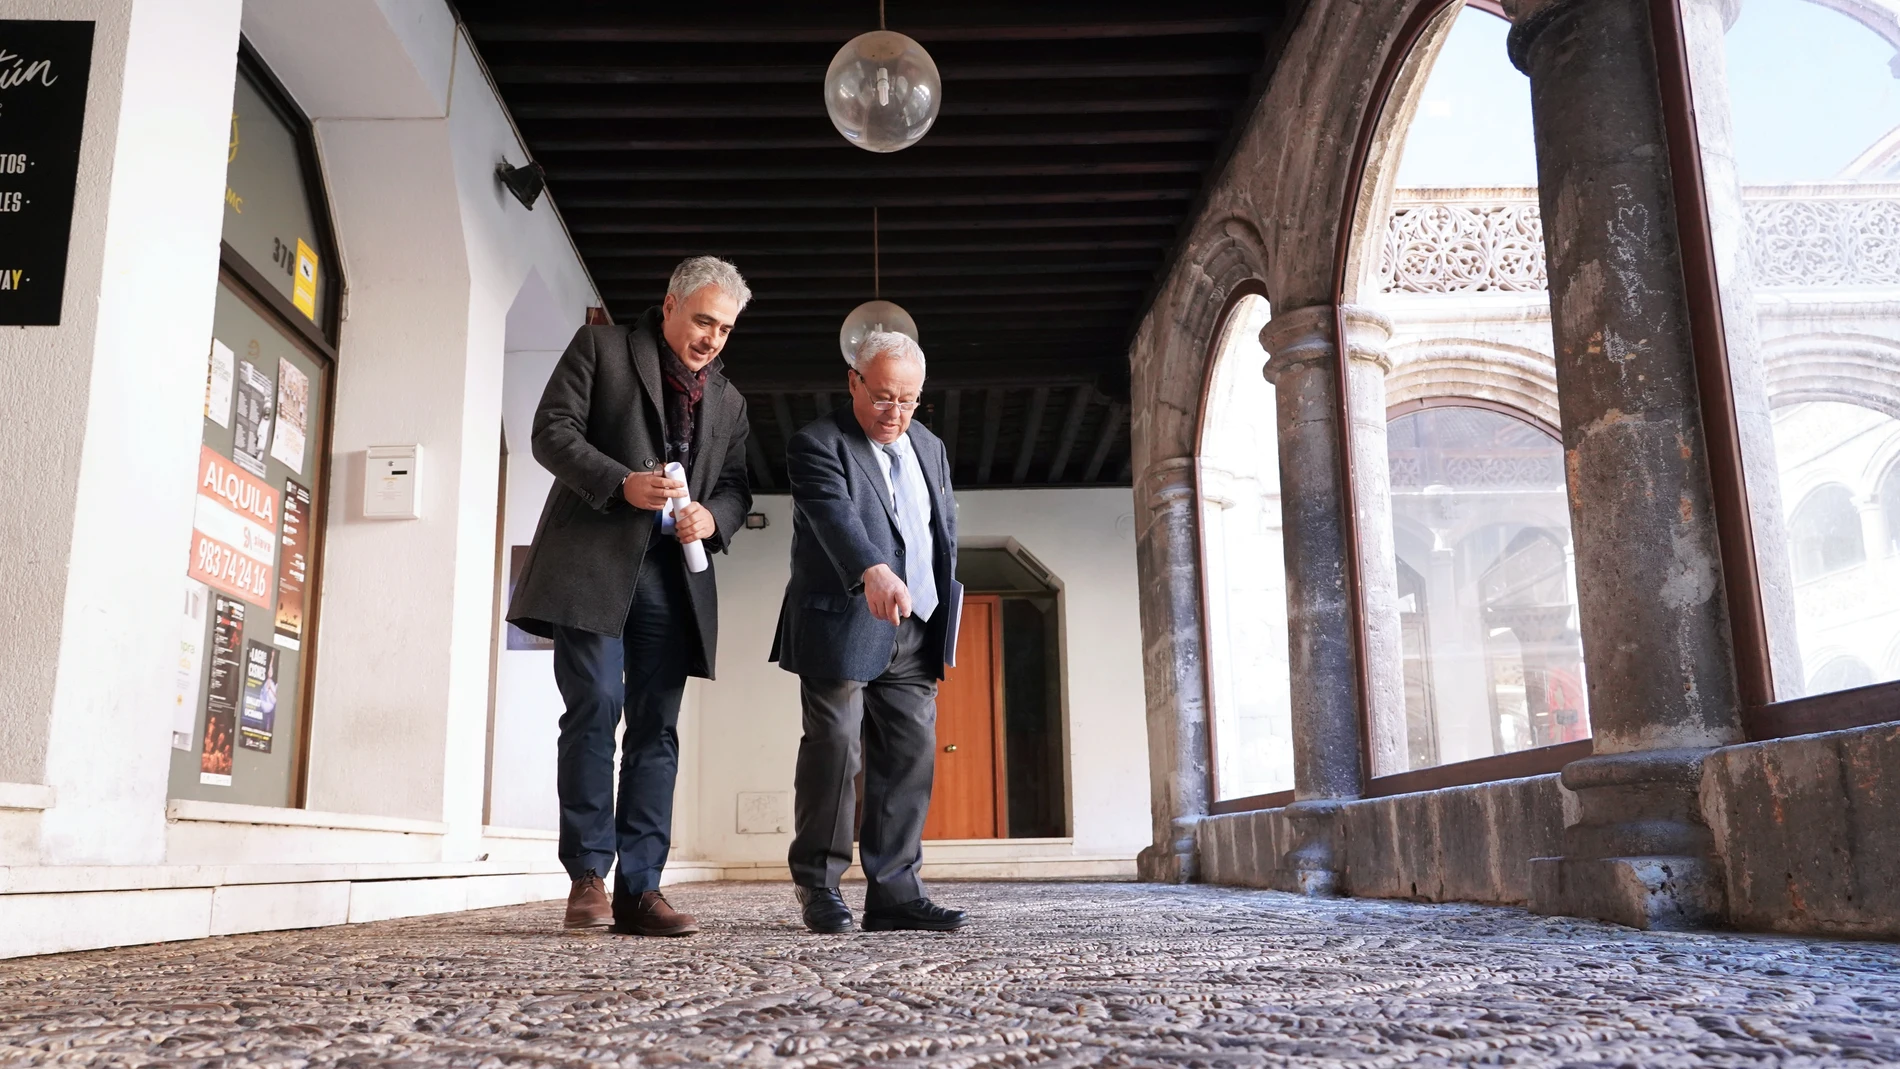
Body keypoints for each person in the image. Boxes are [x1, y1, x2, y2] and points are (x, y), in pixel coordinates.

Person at [507, 257, 753, 937]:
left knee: (657, 729)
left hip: (673, 575)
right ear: (670, 304)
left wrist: (714, 519)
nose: (712, 337)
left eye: (725, 329)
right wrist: (621, 483)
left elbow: (736, 487)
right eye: (703, 319)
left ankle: (641, 890)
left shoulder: (729, 402)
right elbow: (550, 432)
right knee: (596, 706)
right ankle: (587, 876)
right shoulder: (602, 347)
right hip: (590, 563)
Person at [772, 330, 967, 934]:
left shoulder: (928, 445)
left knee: (909, 756)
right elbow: (831, 513)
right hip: (844, 621)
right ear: (853, 381)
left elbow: (937, 528)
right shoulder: (817, 443)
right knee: (837, 749)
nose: (896, 414)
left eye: (909, 400)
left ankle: (895, 892)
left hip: (919, 622)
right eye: (883, 397)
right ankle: (820, 886)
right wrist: (872, 571)